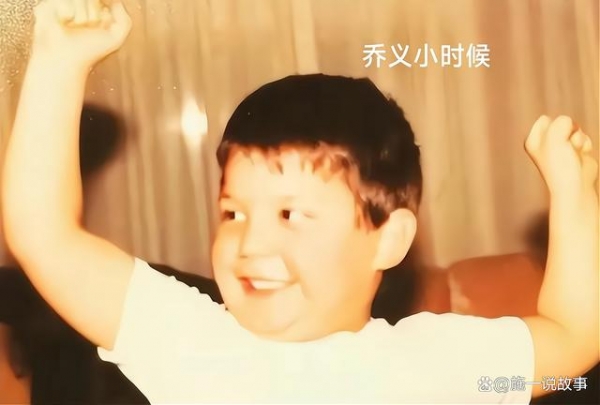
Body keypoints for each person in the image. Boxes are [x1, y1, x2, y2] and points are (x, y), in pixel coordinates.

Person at [2, 0, 597, 403]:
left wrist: (575, 197)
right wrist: (59, 61)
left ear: (388, 238)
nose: (250, 242)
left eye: (290, 214)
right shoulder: (189, 340)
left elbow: (575, 338)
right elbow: (43, 233)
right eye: (233, 212)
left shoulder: (440, 367)